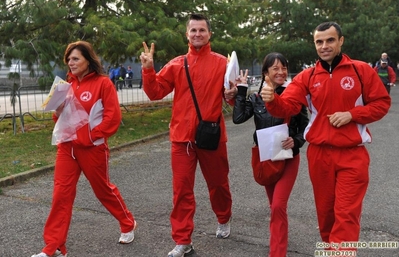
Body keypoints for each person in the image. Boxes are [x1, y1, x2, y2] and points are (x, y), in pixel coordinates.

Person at [260, 22, 391, 253]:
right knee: (326, 215)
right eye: (319, 42)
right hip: (319, 155)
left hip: (352, 155)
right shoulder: (307, 76)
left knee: (346, 215)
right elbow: (288, 107)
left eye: (330, 40)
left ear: (341, 41)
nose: (324, 46)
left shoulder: (361, 71)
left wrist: (352, 114)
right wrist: (272, 100)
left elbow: (381, 104)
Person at [139, 13, 237, 257]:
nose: (197, 34)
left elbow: (233, 101)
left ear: (209, 34)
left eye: (202, 30)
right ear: (187, 34)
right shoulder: (176, 64)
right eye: (193, 30)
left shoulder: (222, 64)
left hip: (211, 136)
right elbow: (155, 92)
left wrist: (235, 93)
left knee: (218, 184)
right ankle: (183, 240)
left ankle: (223, 217)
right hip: (182, 139)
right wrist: (148, 70)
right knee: (181, 190)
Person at [32, 41, 137, 257]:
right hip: (66, 148)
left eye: (75, 58)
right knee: (61, 195)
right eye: (68, 59)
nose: (71, 63)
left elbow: (112, 117)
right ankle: (54, 246)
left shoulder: (103, 83)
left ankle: (128, 223)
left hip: (93, 148)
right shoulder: (65, 86)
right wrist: (57, 110)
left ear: (88, 60)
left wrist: (92, 136)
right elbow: (58, 118)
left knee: (103, 190)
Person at [233, 53, 309, 257]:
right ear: (265, 72)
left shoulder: (293, 95)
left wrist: (297, 140)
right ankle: (280, 232)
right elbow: (238, 118)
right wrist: (241, 90)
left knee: (277, 206)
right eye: (275, 68)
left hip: (288, 156)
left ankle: (277, 252)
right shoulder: (256, 98)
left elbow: (306, 125)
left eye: (284, 67)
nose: (281, 72)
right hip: (265, 156)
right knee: (274, 205)